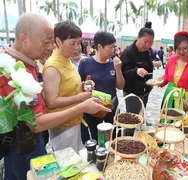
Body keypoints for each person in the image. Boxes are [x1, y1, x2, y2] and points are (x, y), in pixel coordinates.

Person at [0, 13, 110, 180]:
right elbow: (35, 123)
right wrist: (82, 105)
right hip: (22, 145)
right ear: (24, 39)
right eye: (47, 41)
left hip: (30, 142)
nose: (51, 47)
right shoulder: (11, 71)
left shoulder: (28, 63)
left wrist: (41, 87)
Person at [42, 20, 100, 152]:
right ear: (58, 41)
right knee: (67, 161)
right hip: (62, 124)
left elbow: (67, 85)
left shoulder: (67, 60)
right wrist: (80, 97)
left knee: (75, 157)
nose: (77, 47)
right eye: (72, 43)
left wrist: (83, 85)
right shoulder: (53, 66)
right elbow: (51, 102)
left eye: (78, 42)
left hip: (73, 119)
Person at [78, 31, 125, 142]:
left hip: (111, 106)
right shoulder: (85, 63)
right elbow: (79, 86)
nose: (113, 51)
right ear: (99, 47)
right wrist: (86, 85)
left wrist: (118, 69)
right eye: (110, 47)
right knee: (96, 136)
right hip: (93, 107)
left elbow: (121, 86)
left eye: (114, 47)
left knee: (115, 136)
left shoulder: (114, 63)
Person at [121, 22, 154, 136]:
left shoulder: (147, 52)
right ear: (138, 38)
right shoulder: (128, 52)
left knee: (141, 112)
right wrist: (136, 71)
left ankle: (140, 126)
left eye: (150, 43)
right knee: (131, 119)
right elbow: (123, 72)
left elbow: (149, 67)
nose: (148, 45)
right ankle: (127, 139)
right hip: (132, 91)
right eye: (145, 41)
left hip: (144, 90)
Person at [159, 31, 188, 109]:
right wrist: (161, 80)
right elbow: (167, 76)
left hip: (185, 101)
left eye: (184, 48)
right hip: (169, 97)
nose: (181, 52)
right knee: (167, 119)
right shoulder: (172, 60)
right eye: (178, 48)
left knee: (181, 120)